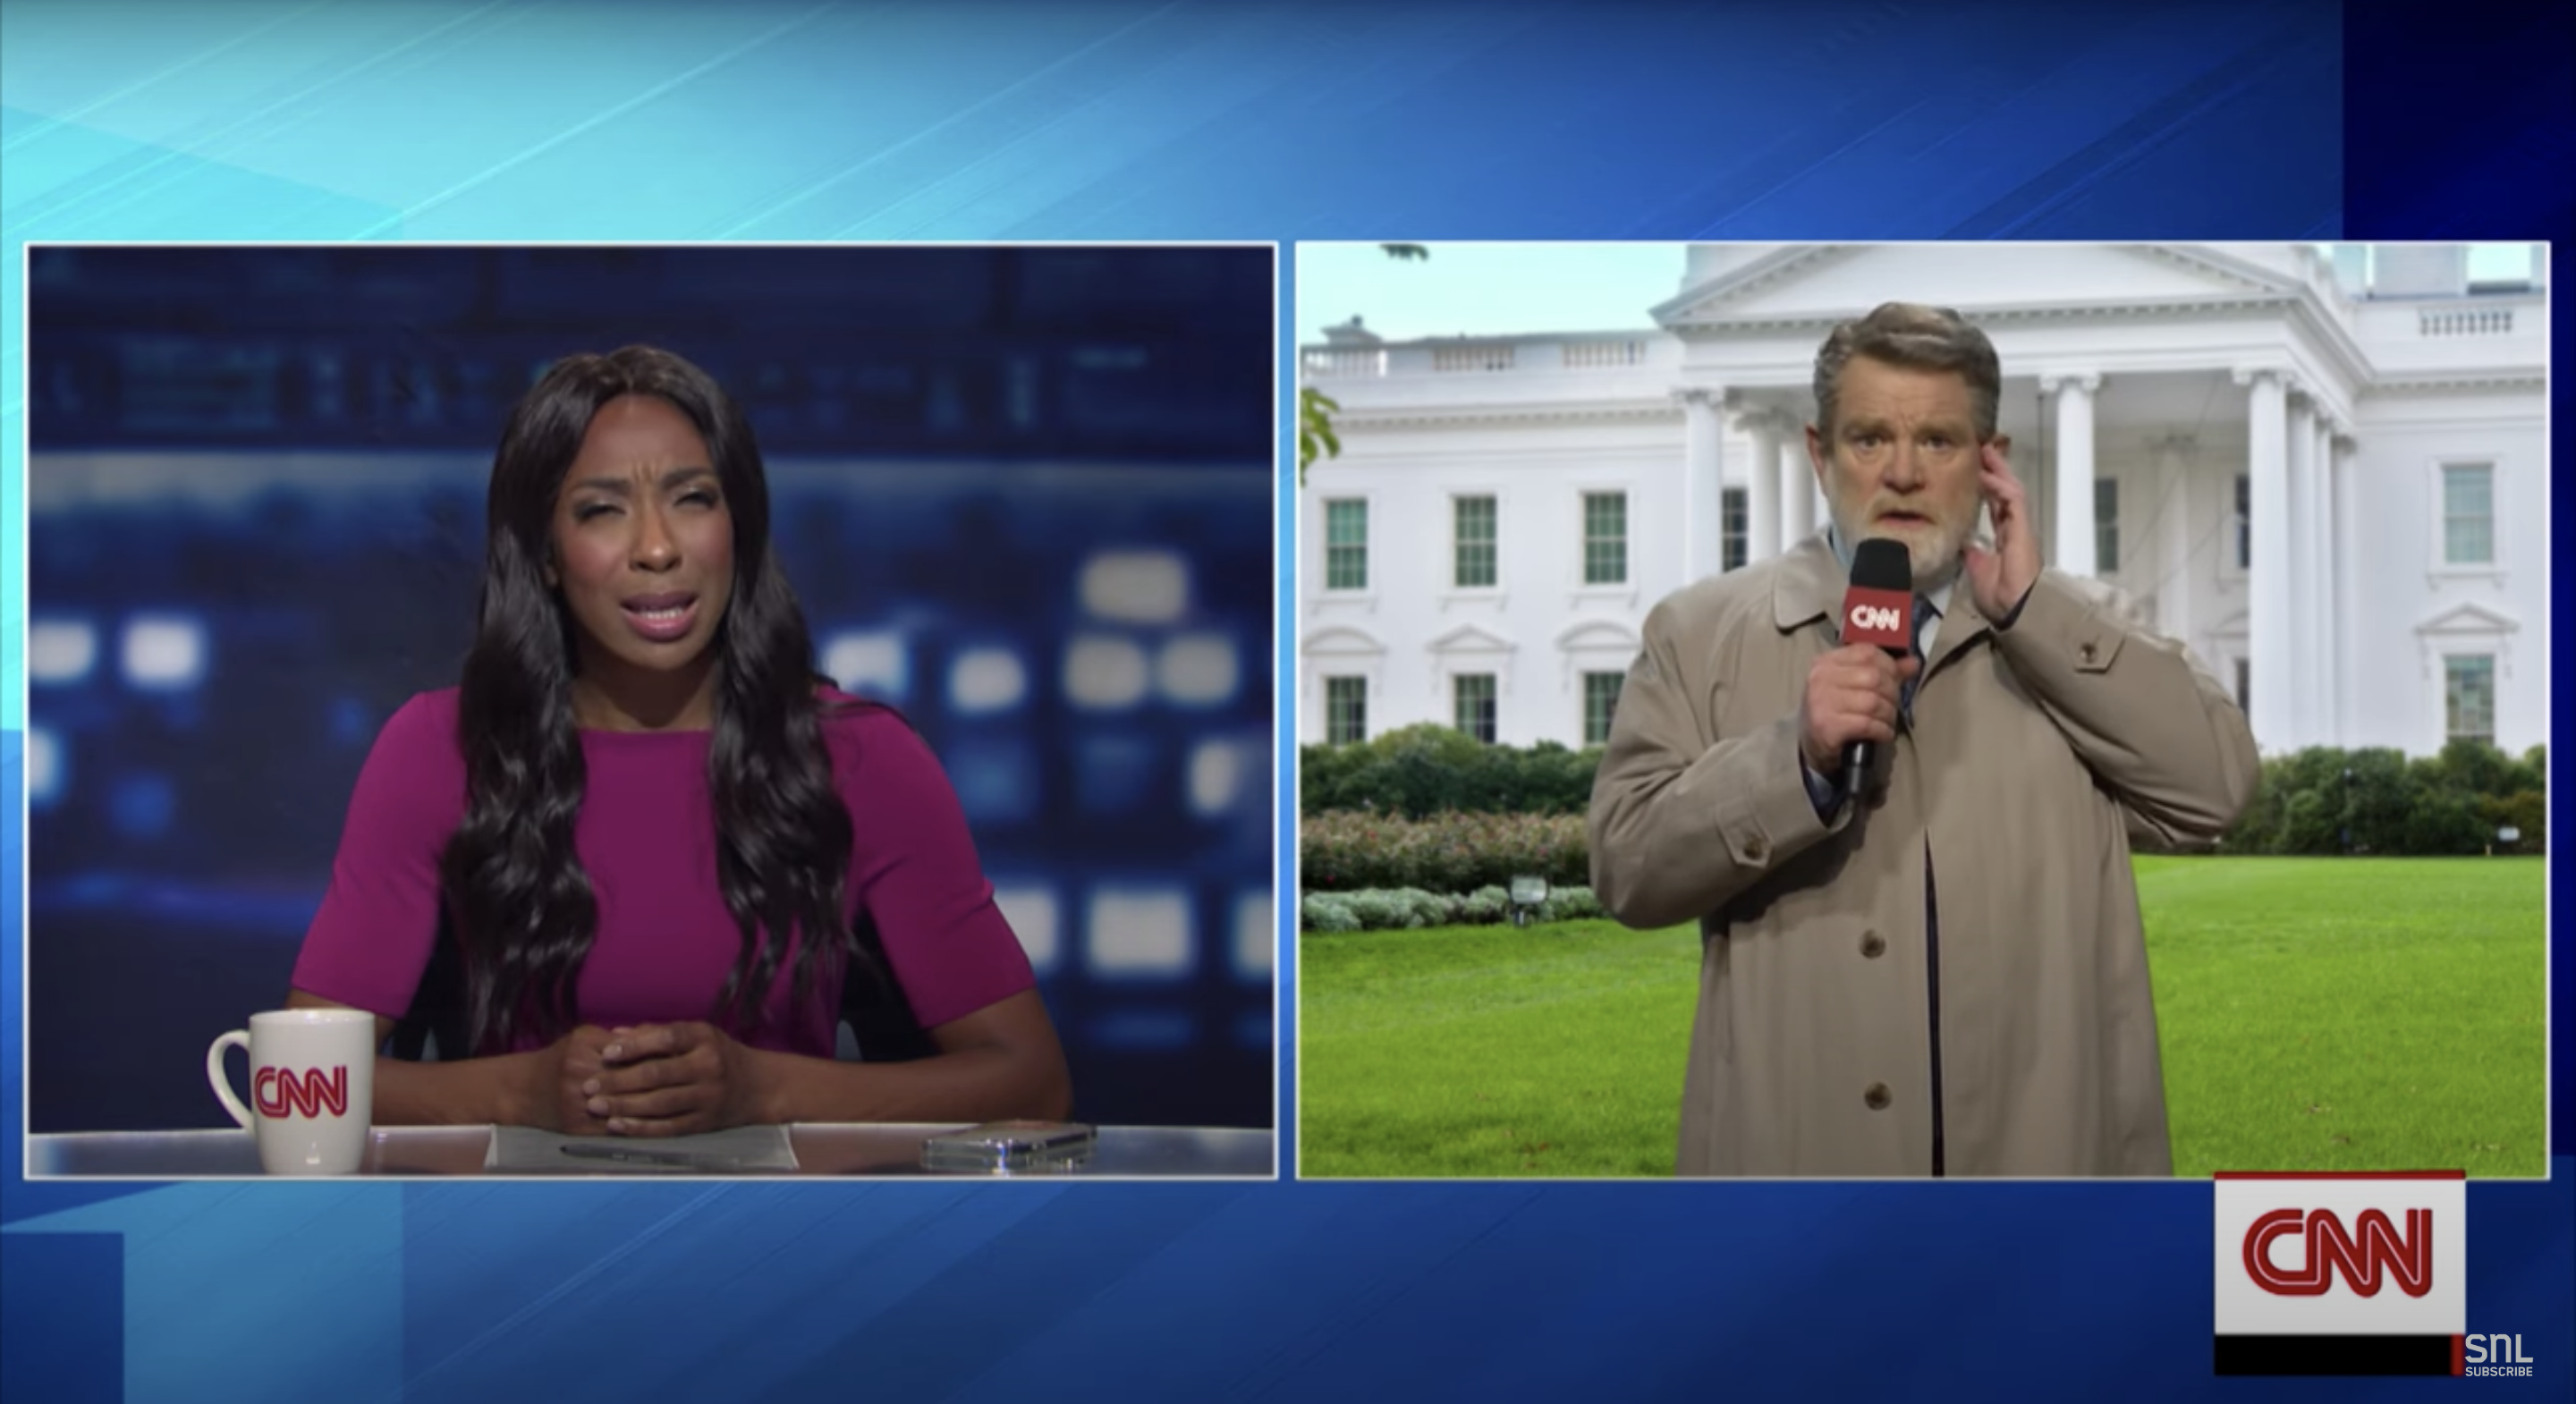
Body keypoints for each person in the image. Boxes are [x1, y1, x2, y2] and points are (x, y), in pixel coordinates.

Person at [287, 345, 1072, 1137]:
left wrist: (764, 1093)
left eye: (692, 499)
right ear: (547, 555)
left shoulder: (863, 760)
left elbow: (1030, 1085)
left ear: (739, 524)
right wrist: (516, 1098)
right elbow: (301, 1081)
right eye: (601, 510)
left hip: (780, 1241)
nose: (657, 548)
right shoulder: (440, 749)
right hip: (506, 1240)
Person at [1587, 302, 2256, 1177]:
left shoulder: (2081, 631)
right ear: (1820, 454)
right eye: (1869, 440)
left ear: (1989, 463)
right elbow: (1625, 867)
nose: (1901, 473)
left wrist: (2035, 614)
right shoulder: (1701, 632)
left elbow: (2215, 791)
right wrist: (1793, 761)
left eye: (1937, 442)